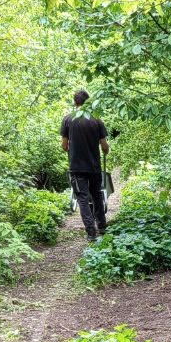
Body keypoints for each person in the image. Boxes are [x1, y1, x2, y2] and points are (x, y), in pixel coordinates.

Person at [61, 89, 109, 241]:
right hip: (94, 166)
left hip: (76, 166)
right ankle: (102, 227)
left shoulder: (67, 119)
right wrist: (104, 151)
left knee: (82, 198)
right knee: (97, 194)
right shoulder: (96, 120)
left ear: (75, 103)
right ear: (87, 102)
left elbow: (64, 145)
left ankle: (91, 233)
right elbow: (104, 146)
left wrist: (73, 150)